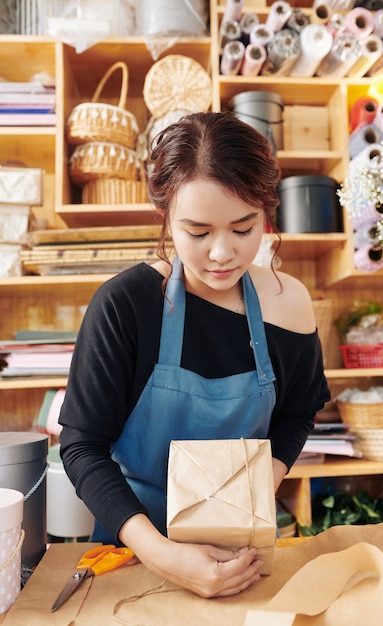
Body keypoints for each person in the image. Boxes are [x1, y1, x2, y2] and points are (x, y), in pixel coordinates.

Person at [59, 111, 330, 598]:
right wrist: (161, 552)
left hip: (243, 551)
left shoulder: (288, 304)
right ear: (164, 216)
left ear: (266, 212)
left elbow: (296, 415)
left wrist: (250, 495)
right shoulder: (125, 305)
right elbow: (82, 448)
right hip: (134, 550)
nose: (222, 252)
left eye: (244, 228)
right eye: (198, 232)